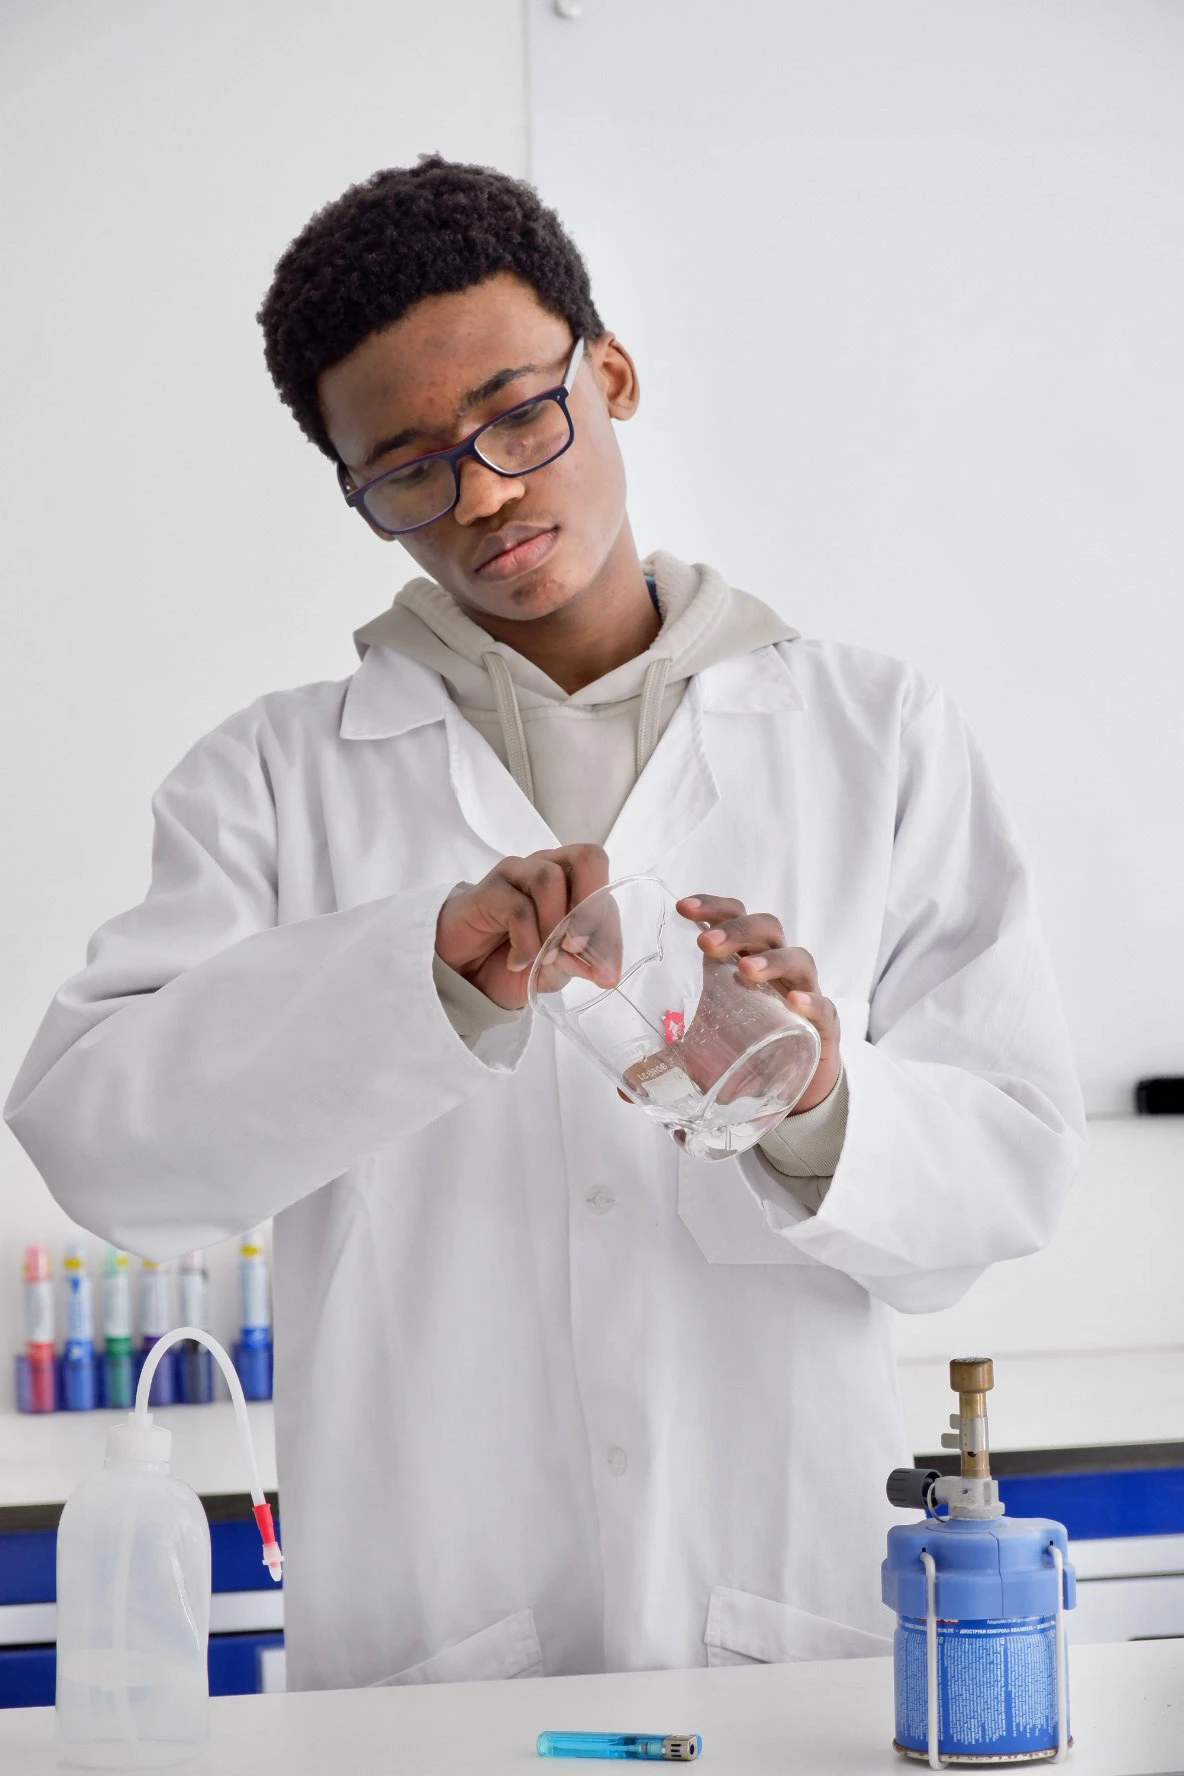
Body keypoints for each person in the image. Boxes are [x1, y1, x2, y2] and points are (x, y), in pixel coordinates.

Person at [5, 155, 1085, 1690]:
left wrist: (813, 1099)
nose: (488, 491)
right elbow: (102, 1143)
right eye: (409, 466)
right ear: (357, 495)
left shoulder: (871, 731)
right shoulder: (273, 778)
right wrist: (416, 988)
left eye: (520, 412)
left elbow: (1015, 1157)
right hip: (432, 1649)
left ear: (614, 372)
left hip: (781, 1629)